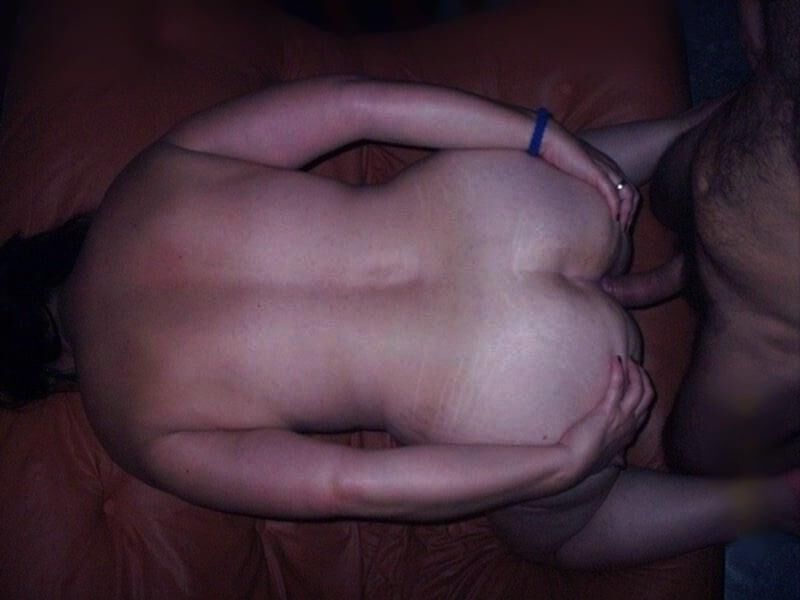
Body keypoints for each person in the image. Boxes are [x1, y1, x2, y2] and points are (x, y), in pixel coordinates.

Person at [1, 76, 798, 569]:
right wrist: (547, 140)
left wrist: (559, 462)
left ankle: (775, 499)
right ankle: (713, 125)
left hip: (527, 381)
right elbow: (357, 103)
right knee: (539, 164)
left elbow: (343, 484)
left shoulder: (130, 425)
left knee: (555, 539)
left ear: (34, 373)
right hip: (519, 208)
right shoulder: (145, 179)